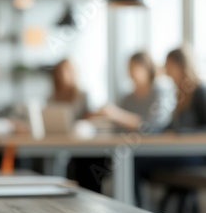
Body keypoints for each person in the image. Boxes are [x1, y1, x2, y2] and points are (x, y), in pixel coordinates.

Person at [69, 52, 175, 195]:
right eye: (128, 68)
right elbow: (117, 126)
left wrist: (115, 114)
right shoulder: (128, 97)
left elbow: (150, 125)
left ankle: (133, 208)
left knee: (129, 163)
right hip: (125, 146)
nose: (130, 72)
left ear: (146, 68)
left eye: (133, 67)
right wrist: (101, 116)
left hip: (150, 148)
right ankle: (85, 202)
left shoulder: (159, 91)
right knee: (86, 159)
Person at [133, 47, 206, 208]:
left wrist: (180, 133)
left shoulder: (200, 92)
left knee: (135, 161)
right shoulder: (179, 93)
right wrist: (158, 131)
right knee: (134, 159)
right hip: (179, 150)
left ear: (180, 65)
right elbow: (173, 126)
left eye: (168, 65)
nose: (165, 70)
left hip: (197, 155)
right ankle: (138, 209)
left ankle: (137, 211)